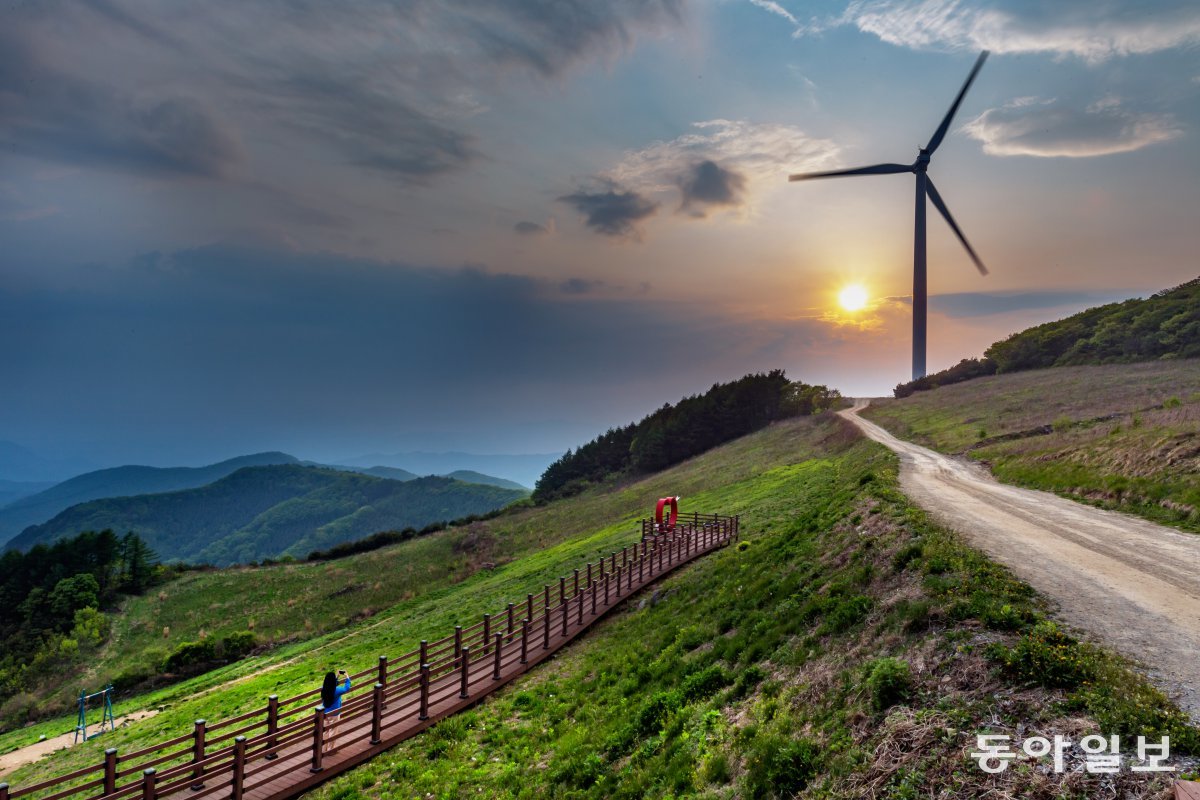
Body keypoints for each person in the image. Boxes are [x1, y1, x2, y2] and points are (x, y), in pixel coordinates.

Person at [318, 669, 351, 752]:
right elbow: (346, 688)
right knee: (333, 731)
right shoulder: (337, 690)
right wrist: (347, 677)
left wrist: (336, 677)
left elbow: (331, 684)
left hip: (324, 713)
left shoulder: (324, 688)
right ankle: (330, 750)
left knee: (325, 731)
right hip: (334, 714)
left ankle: (323, 749)